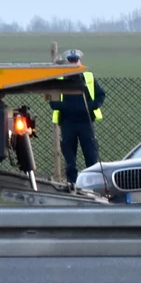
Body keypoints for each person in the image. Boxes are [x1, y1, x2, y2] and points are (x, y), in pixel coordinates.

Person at [50, 49, 106, 185]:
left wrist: (91, 106)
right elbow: (53, 101)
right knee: (70, 159)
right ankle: (72, 184)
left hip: (86, 122)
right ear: (66, 62)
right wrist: (67, 107)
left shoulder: (88, 77)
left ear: (80, 61)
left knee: (91, 156)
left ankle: (92, 184)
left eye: (76, 60)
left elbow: (101, 95)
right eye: (71, 61)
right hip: (67, 123)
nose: (74, 63)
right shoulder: (60, 78)